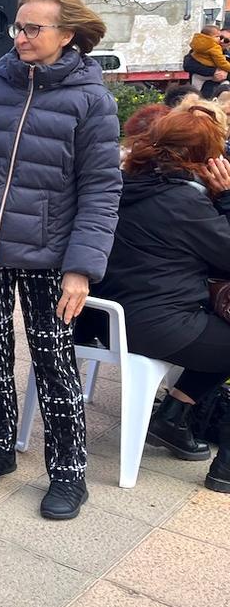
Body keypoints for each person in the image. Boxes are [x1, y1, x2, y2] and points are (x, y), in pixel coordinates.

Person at [0, 0, 121, 521]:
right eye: (17, 28)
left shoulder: (92, 101)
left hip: (52, 259)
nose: (21, 37)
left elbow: (101, 190)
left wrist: (81, 269)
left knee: (54, 363)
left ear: (66, 35)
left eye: (33, 29)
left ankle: (69, 473)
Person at [91, 106, 230, 492]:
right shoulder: (185, 202)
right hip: (159, 325)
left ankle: (172, 415)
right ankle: (224, 469)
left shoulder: (125, 184)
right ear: (202, 160)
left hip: (106, 319)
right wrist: (227, 197)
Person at [185, 25, 230, 98]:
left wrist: (226, 76)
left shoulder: (228, 56)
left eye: (226, 40)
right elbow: (187, 65)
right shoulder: (200, 51)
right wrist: (213, 72)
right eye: (220, 37)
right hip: (202, 95)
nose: (221, 41)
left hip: (221, 99)